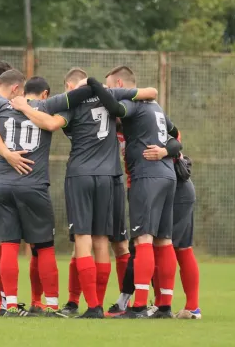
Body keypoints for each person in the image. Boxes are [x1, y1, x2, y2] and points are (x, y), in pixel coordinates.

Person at [10, 68, 157, 318]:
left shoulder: (72, 103)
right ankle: (102, 303)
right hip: (109, 176)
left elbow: (50, 123)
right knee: (102, 240)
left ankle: (93, 306)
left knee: (83, 239)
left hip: (81, 174)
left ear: (69, 85)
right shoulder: (108, 95)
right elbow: (148, 93)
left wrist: (24, 107)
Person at [0, 71, 94, 317]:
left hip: (3, 183)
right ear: (45, 93)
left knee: (8, 244)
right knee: (45, 246)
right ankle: (50, 304)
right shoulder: (48, 106)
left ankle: (12, 304)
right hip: (33, 185)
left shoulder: (1, 106)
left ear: (19, 90)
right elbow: (78, 96)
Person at [88, 66, 179, 319]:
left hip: (147, 176)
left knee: (143, 240)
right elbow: (176, 137)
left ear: (119, 83)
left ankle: (138, 305)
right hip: (167, 176)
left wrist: (95, 85)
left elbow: (117, 108)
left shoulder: (135, 104)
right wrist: (166, 152)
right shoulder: (156, 108)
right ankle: (164, 306)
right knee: (164, 241)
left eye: (110, 87)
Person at [140, 137, 201, 319]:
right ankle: (191, 308)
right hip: (177, 189)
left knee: (165, 247)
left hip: (177, 190)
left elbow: (176, 141)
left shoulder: (147, 119)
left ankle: (162, 305)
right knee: (180, 248)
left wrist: (164, 151)